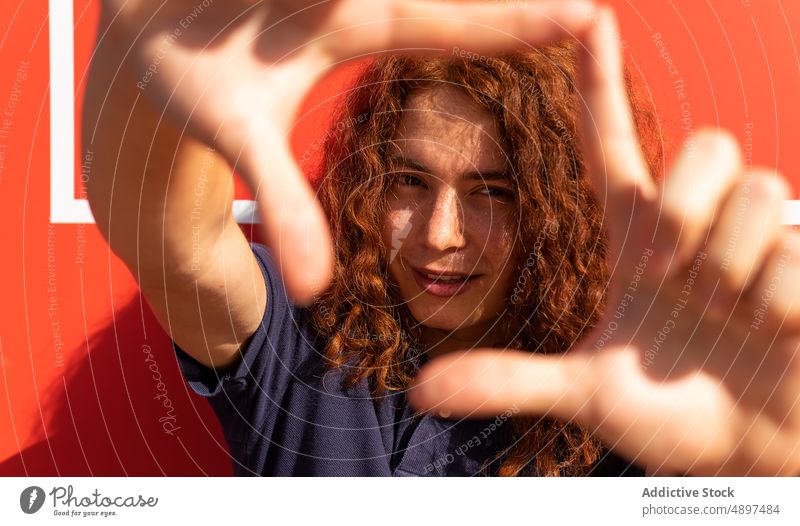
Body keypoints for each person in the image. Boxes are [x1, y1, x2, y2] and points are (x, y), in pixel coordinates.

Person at [85, 0, 800, 476]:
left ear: (562, 209)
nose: (440, 234)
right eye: (408, 181)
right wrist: (143, 73)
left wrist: (774, 458)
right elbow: (170, 236)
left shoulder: (651, 391)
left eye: (494, 192)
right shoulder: (303, 351)